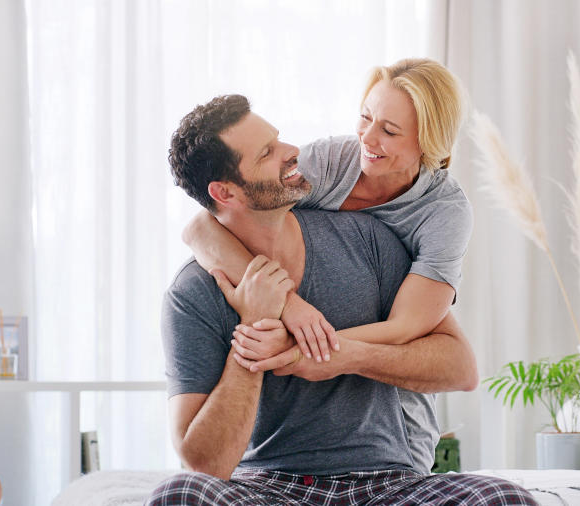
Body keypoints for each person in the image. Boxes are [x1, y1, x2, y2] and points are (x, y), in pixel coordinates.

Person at [148, 95, 536, 505]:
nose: (292, 152)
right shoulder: (191, 295)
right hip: (266, 487)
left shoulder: (367, 241)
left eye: (278, 140)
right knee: (179, 494)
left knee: (501, 497)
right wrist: (255, 327)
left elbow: (458, 365)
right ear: (224, 192)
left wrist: (340, 355)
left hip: (389, 484)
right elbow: (205, 466)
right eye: (267, 153)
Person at [182, 58, 471, 367]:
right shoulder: (331, 161)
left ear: (428, 141)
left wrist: (298, 343)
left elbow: (405, 327)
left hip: (388, 372)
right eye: (365, 117)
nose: (367, 138)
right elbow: (202, 226)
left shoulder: (445, 212)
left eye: (389, 131)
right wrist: (289, 306)